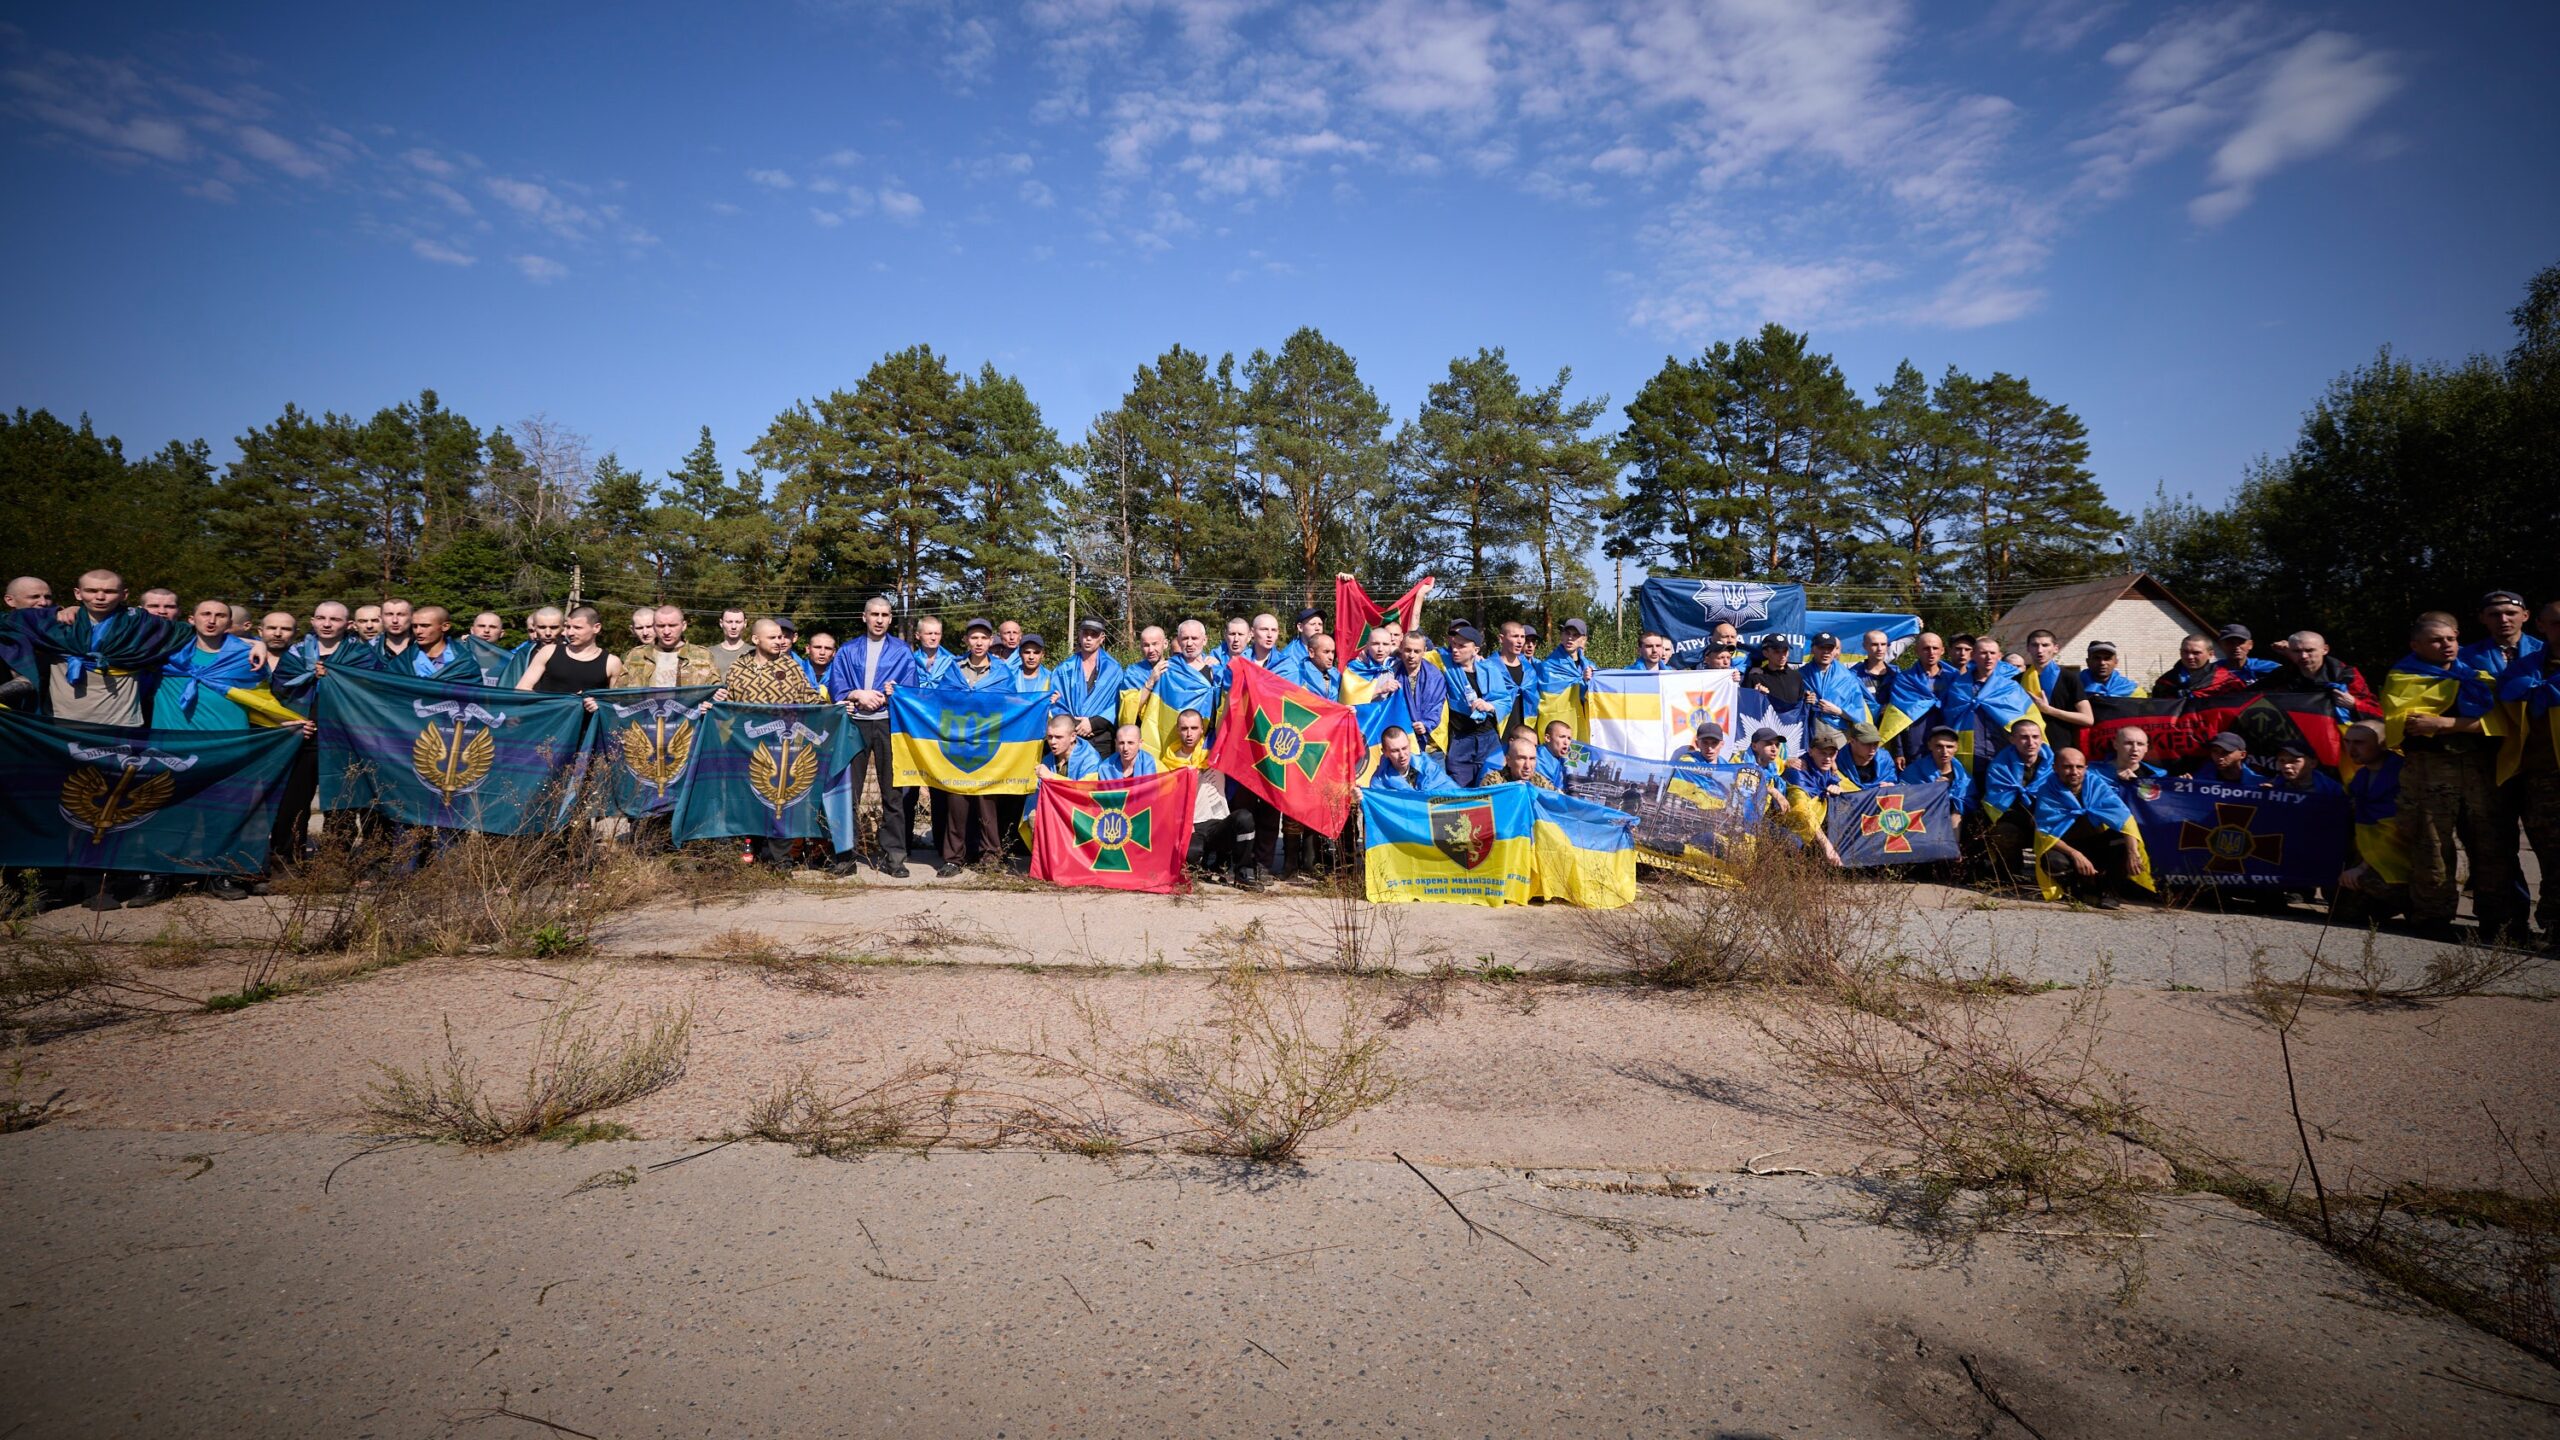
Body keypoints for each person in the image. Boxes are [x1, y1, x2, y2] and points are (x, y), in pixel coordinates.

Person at [2384, 612, 2512, 941]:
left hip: (2479, 772)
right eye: (2436, 641)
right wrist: (2467, 723)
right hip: (2429, 771)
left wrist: (2443, 723)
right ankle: (2433, 918)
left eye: (2451, 639)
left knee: (2491, 845)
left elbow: (2498, 723)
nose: (2446, 645)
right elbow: (2410, 723)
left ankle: (2498, 923)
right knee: (2432, 845)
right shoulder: (2403, 677)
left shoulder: (2478, 677)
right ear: (2416, 645)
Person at [823, 595, 919, 878]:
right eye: (874, 614)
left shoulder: (902, 652)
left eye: (885, 615)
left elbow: (911, 688)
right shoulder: (848, 650)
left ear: (891, 619)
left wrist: (895, 691)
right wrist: (856, 694)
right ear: (864, 617)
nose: (879, 620)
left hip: (889, 725)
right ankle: (845, 856)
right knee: (848, 792)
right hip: (854, 725)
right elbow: (835, 683)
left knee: (893, 794)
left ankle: (895, 858)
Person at [928, 618, 1014, 876]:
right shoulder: (953, 670)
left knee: (987, 803)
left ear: (991, 641)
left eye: (983, 638)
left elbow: (1012, 705)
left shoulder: (1002, 672)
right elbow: (940, 702)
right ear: (966, 640)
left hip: (988, 747)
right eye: (974, 637)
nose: (978, 642)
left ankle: (990, 856)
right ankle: (954, 858)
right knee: (957, 803)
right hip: (957, 747)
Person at [2497, 600, 2560, 950]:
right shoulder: (2524, 669)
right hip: (2539, 778)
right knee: (2551, 856)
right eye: (2555, 623)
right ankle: (2554, 927)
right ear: (2540, 626)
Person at [2031, 747, 2140, 908]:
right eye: (2067, 767)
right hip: (2067, 848)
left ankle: (2108, 891)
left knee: (2123, 841)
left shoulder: (2097, 785)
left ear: (2086, 768)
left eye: (2079, 767)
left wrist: (2133, 853)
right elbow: (2046, 834)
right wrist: (2075, 854)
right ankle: (2078, 890)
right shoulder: (2047, 791)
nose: (2074, 772)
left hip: (2096, 843)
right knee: (2051, 860)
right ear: (2055, 768)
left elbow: (2124, 819)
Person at [2336, 720, 2411, 926]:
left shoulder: (2403, 774)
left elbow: (2395, 831)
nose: (2351, 749)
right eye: (2347, 742)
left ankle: (2413, 903)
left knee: (2364, 882)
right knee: (2343, 908)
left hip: (2402, 860)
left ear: (2383, 744)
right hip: (2372, 856)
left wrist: (2362, 868)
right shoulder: (2361, 776)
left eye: (2359, 742)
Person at [2249, 630, 2381, 725]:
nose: (2303, 656)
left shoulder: (2345, 676)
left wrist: (2354, 704)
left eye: (2310, 650)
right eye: (2297, 651)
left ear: (2325, 649)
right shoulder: (2282, 676)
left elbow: (2377, 713)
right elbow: (2247, 696)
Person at [1978, 718, 2052, 885]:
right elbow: (1997, 804)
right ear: (2012, 740)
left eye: (2035, 737)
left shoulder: (2054, 765)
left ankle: (2052, 873)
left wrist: (2040, 816)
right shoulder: (1999, 767)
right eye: (2024, 737)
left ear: (2041, 739)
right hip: (2014, 819)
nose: (2030, 742)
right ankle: (2008, 873)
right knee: (2004, 831)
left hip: (2047, 819)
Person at [1439, 623, 1509, 787]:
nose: (1455, 649)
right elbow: (1416, 646)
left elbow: (1505, 700)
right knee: (1461, 789)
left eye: (1462, 646)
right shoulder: (1444, 665)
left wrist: (1490, 706)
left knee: (1493, 785)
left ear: (1475, 650)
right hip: (1461, 740)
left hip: (1489, 739)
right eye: (1454, 644)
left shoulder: (1490, 669)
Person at [716, 619, 826, 707]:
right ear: (756, 639)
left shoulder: (790, 666)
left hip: (783, 732)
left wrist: (835, 709)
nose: (779, 642)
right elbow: (727, 706)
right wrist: (715, 701)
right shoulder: (737, 668)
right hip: (744, 732)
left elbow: (809, 698)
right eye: (772, 638)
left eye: (780, 637)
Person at [515, 605, 620, 697]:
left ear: (596, 628)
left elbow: (616, 704)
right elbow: (522, 689)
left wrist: (596, 703)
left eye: (577, 628)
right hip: (547, 718)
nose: (570, 633)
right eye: (568, 627)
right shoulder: (548, 652)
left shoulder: (611, 663)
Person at [2018, 629, 2090, 749]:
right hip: (2028, 748)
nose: (2040, 650)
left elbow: (2087, 719)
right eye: (2035, 645)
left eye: (2045, 645)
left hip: (2062, 747)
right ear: (2028, 648)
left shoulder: (2069, 678)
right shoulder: (2017, 680)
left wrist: (2049, 710)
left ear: (2055, 648)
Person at [617, 606, 717, 689]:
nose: (666, 632)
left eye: (672, 625)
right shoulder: (636, 655)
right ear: (654, 626)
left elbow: (716, 692)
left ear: (684, 626)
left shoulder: (703, 656)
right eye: (661, 626)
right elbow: (618, 694)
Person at [1057, 619, 1125, 741]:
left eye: (1093, 634)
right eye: (1085, 633)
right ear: (1079, 635)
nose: (1088, 638)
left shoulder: (1114, 669)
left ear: (1102, 638)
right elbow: (1056, 702)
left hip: (1102, 736)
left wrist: (1092, 724)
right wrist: (1076, 724)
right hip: (1071, 735)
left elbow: (1118, 703)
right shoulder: (1064, 669)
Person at [1799, 632, 1871, 728]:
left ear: (1835, 651)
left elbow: (1859, 714)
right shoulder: (1800, 675)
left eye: (1830, 648)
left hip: (1838, 733)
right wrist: (1803, 699)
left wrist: (1838, 711)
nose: (1826, 652)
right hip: (1806, 729)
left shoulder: (1847, 678)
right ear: (1813, 649)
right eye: (1822, 647)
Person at [1904, 726, 1974, 817]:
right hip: (1924, 818)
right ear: (1930, 745)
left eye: (1949, 747)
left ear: (1956, 748)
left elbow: (1969, 802)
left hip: (1953, 819)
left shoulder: (1964, 775)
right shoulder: (1913, 771)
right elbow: (1905, 798)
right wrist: (1933, 790)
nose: (1944, 751)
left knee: (1956, 812)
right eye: (1939, 746)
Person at [397, 606, 480, 682]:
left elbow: (475, 693)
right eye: (415, 626)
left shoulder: (463, 660)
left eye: (425, 626)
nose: (418, 631)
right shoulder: (404, 659)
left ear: (445, 626)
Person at [1367, 725, 1454, 794]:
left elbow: (1453, 793)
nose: (1402, 755)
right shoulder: (1379, 782)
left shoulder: (1428, 767)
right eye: (1395, 751)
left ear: (1410, 744)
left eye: (1404, 748)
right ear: (1385, 752)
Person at [2153, 634, 2243, 700]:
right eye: (2185, 652)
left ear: (2210, 654)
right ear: (2180, 652)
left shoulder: (2227, 681)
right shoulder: (2165, 682)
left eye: (2196, 653)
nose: (2190, 657)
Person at [1742, 635, 1807, 710]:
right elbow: (1745, 707)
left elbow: (1800, 708)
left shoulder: (1796, 676)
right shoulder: (1755, 678)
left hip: (1793, 721)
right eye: (1777, 652)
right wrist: (1756, 697)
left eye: (1785, 651)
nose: (1782, 656)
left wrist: (1808, 699)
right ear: (1765, 653)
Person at [2263, 740, 2343, 800]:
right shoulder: (2272, 786)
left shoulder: (2333, 791)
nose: (2286, 766)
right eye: (2282, 761)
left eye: (2293, 761)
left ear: (2313, 763)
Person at [1851, 630, 1897, 719]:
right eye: (1874, 644)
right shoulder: (1853, 675)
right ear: (1865, 646)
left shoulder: (1897, 674)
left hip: (1891, 726)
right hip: (1864, 726)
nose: (1880, 649)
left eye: (1883, 644)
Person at [1840, 719, 1897, 786]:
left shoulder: (1885, 759)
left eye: (1876, 744)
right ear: (1852, 741)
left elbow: (1893, 780)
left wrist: (1891, 786)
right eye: (1867, 744)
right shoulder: (1837, 759)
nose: (1872, 749)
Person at [2078, 640, 2143, 699]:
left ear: (2116, 662)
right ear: (2088, 662)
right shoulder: (2072, 687)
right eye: (2097, 658)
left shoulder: (2133, 690)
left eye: (2107, 658)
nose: (2102, 663)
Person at [909, 615, 956, 688]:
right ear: (918, 635)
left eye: (937, 634)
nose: (933, 638)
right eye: (929, 633)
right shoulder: (910, 661)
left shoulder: (951, 661)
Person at [708, 609, 751, 677]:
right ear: (721, 623)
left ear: (745, 623)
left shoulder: (754, 653)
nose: (733, 626)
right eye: (729, 622)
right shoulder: (708, 653)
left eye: (738, 622)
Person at [374, 598, 416, 666]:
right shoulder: (369, 650)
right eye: (389, 614)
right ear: (380, 618)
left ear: (412, 617)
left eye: (401, 614)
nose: (395, 620)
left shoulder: (425, 648)